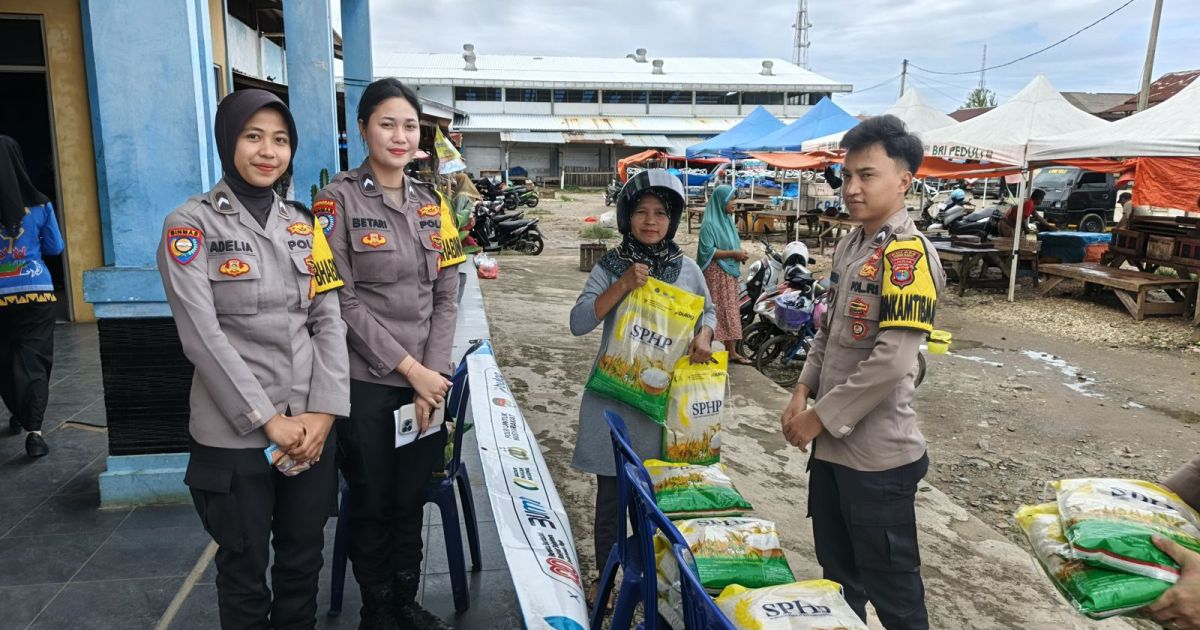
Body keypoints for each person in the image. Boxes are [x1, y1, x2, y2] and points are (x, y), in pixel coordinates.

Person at [157, 89, 350, 629]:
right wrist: (269, 421)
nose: (268, 151)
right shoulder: (189, 227)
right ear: (228, 141)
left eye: (281, 140)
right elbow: (202, 336)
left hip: (310, 428)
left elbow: (328, 319)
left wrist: (324, 413)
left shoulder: (304, 224)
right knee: (243, 573)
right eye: (253, 136)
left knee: (301, 563)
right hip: (235, 437)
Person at [779, 115, 944, 630]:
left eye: (866, 175)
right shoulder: (852, 245)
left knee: (895, 598)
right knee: (837, 583)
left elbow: (894, 360)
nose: (851, 187)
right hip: (831, 455)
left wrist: (819, 418)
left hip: (877, 462)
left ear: (904, 181)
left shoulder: (907, 256)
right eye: (846, 175)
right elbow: (827, 331)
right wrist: (801, 391)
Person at [317, 77, 464, 630]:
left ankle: (405, 601)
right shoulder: (336, 203)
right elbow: (339, 298)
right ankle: (377, 611)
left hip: (426, 380)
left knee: (410, 498)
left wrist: (435, 373)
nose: (399, 136)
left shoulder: (434, 204)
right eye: (387, 124)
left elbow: (448, 290)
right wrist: (410, 370)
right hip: (368, 383)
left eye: (409, 125)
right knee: (373, 501)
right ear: (362, 129)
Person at [569, 169, 717, 607]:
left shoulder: (687, 270)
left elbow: (708, 315)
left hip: (661, 408)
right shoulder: (611, 264)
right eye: (641, 212)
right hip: (612, 405)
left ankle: (653, 577)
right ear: (626, 217)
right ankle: (606, 577)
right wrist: (622, 285)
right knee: (611, 500)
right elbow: (579, 322)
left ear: (672, 220)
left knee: (657, 501)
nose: (650, 221)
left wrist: (705, 336)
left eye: (660, 213)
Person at [0, 135, 64, 458]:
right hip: (36, 292)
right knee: (34, 359)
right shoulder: (40, 204)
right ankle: (34, 432)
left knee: (4, 361)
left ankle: (19, 412)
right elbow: (55, 248)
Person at [697, 184, 751, 364]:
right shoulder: (709, 224)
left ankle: (732, 352)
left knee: (731, 310)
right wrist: (734, 254)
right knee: (715, 311)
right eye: (731, 199)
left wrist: (739, 253)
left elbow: (730, 244)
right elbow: (707, 252)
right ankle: (707, 349)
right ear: (721, 201)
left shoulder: (728, 221)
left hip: (729, 273)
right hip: (715, 274)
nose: (734, 203)